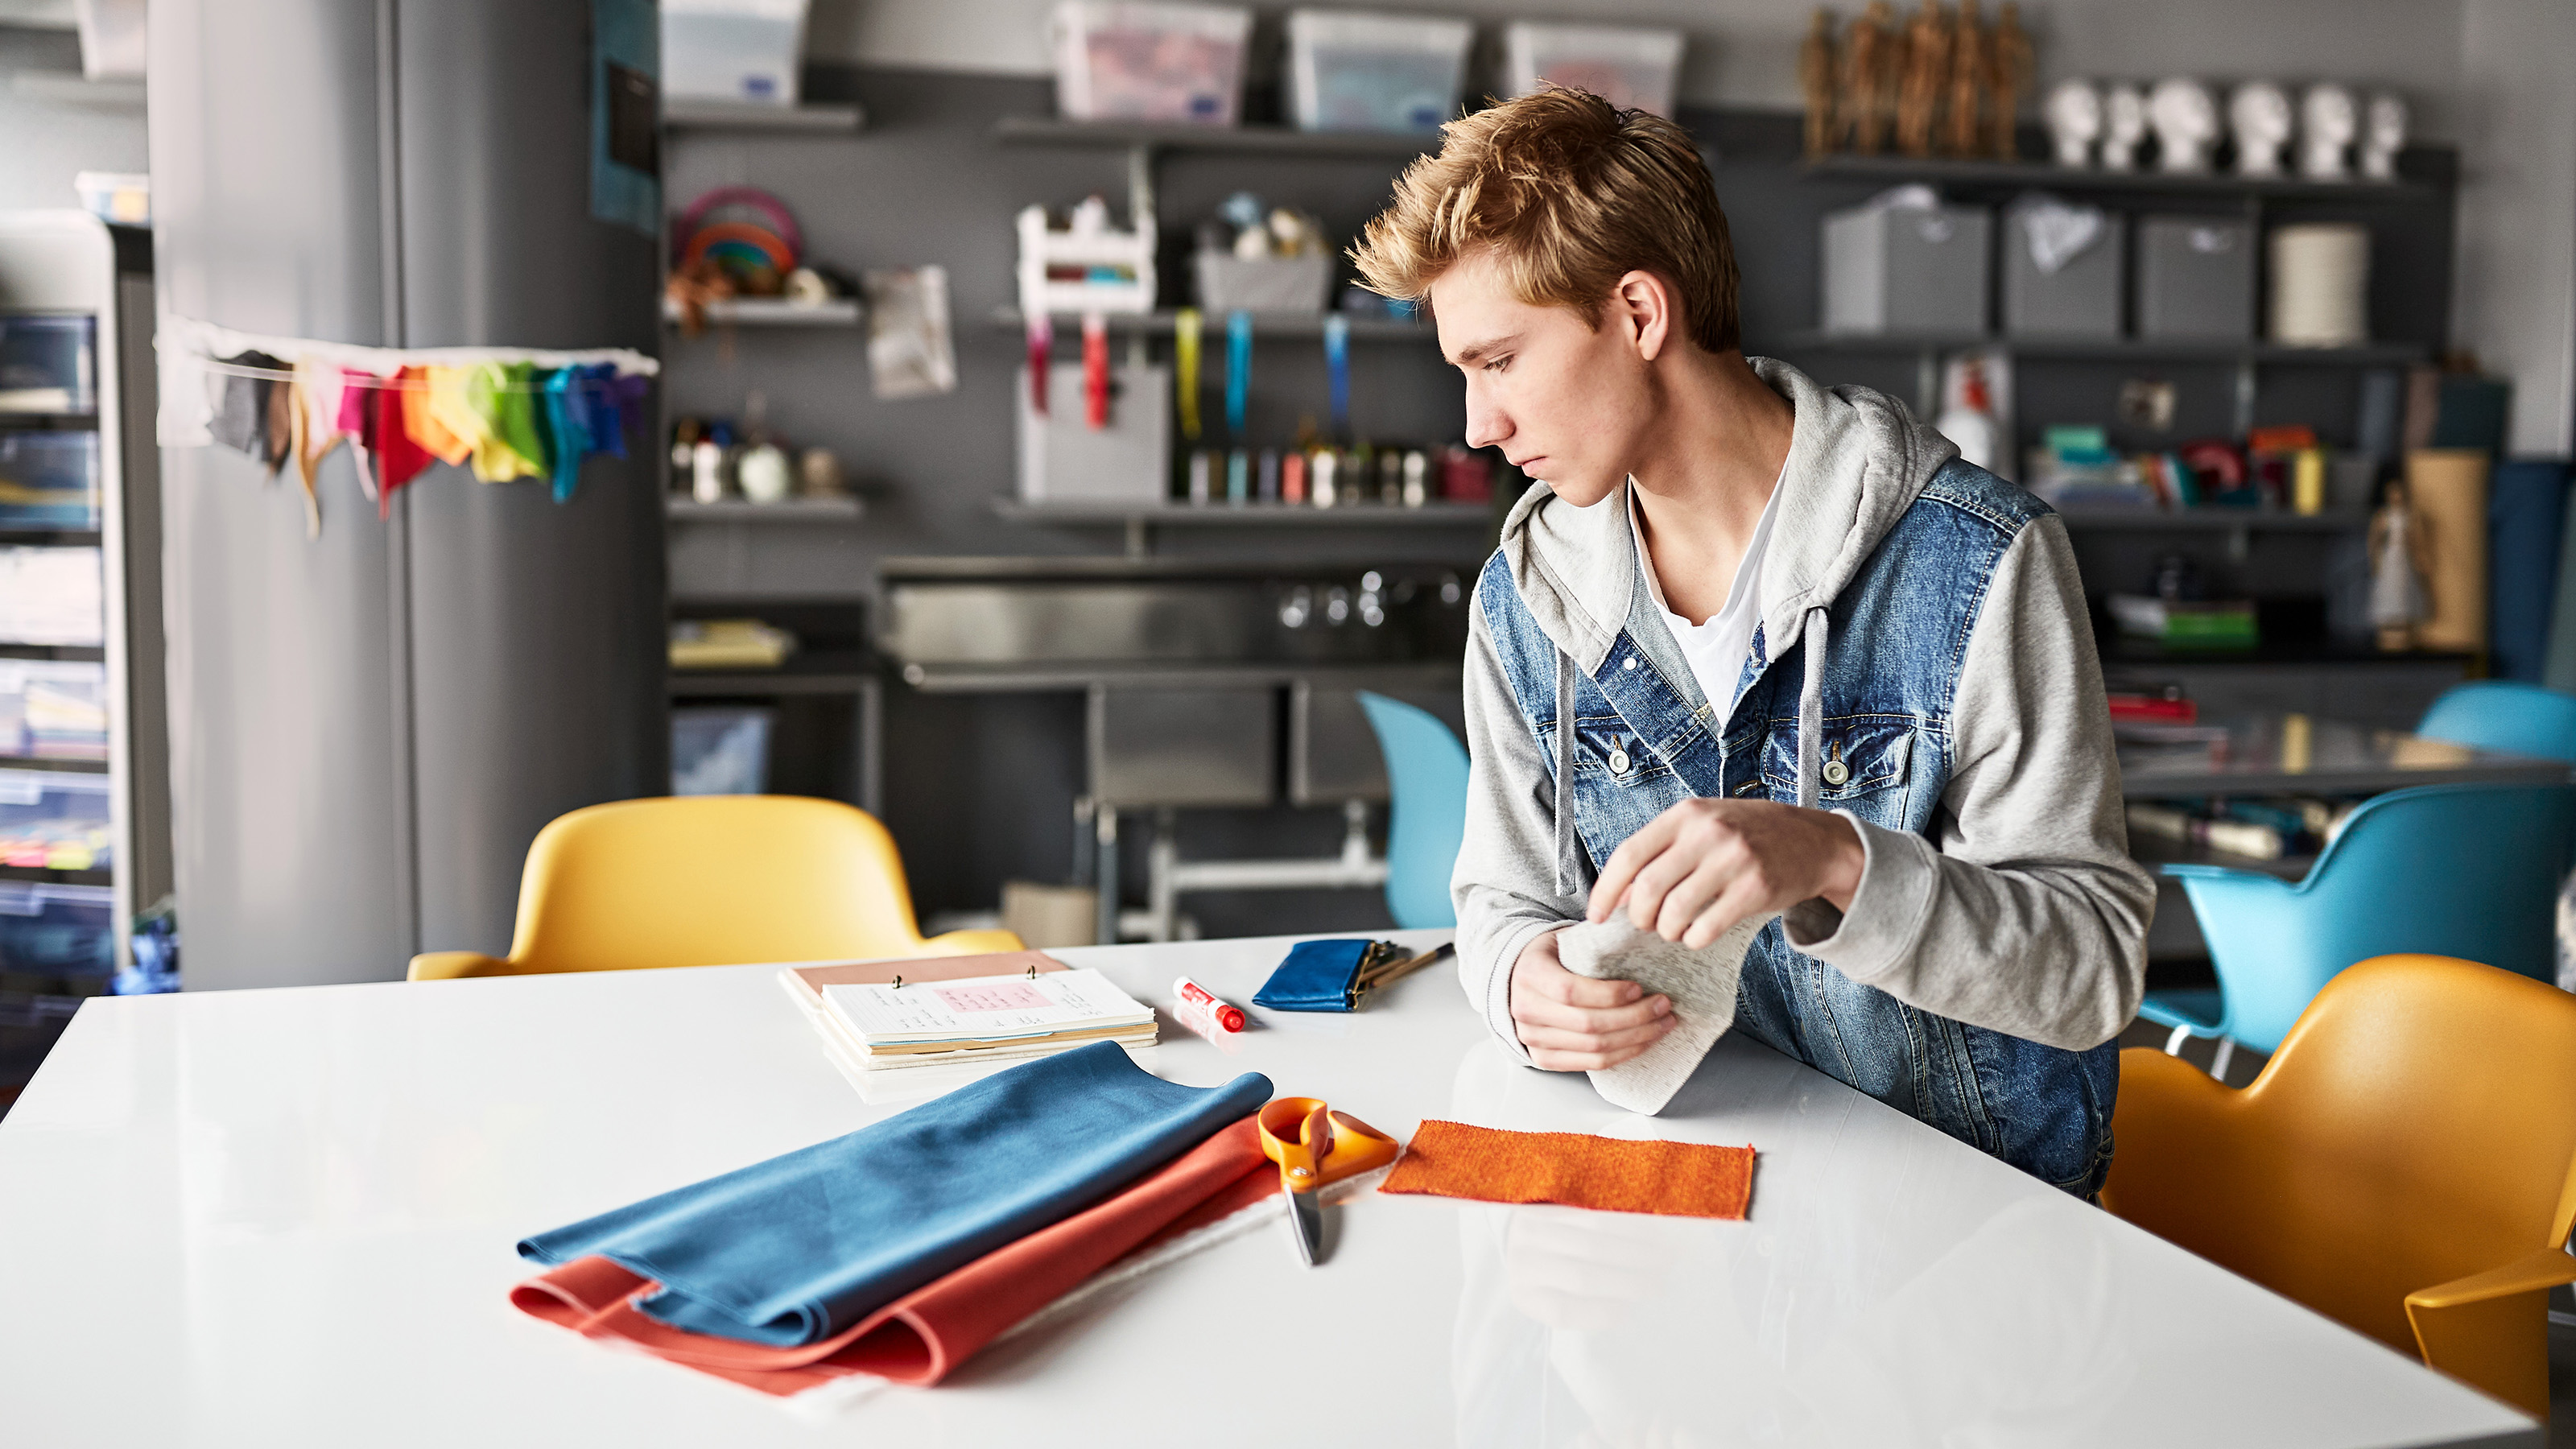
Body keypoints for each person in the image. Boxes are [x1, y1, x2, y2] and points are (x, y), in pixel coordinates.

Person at [1349, 89, 2153, 1196]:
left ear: (1637, 314)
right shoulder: (1528, 597)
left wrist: (1832, 858)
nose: (1478, 427)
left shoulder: (1979, 562)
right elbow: (1499, 903)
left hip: (1973, 1227)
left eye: (1497, 363)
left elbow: (2091, 968)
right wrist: (1521, 982)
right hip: (1707, 1196)